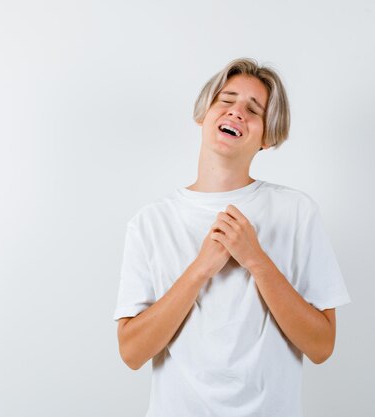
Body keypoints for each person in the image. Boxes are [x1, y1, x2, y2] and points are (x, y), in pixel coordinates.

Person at [113, 57, 352, 417]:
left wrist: (255, 259)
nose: (236, 112)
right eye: (226, 101)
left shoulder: (297, 212)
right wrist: (199, 270)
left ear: (267, 138)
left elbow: (321, 346)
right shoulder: (150, 223)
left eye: (253, 109)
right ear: (203, 114)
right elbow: (132, 353)